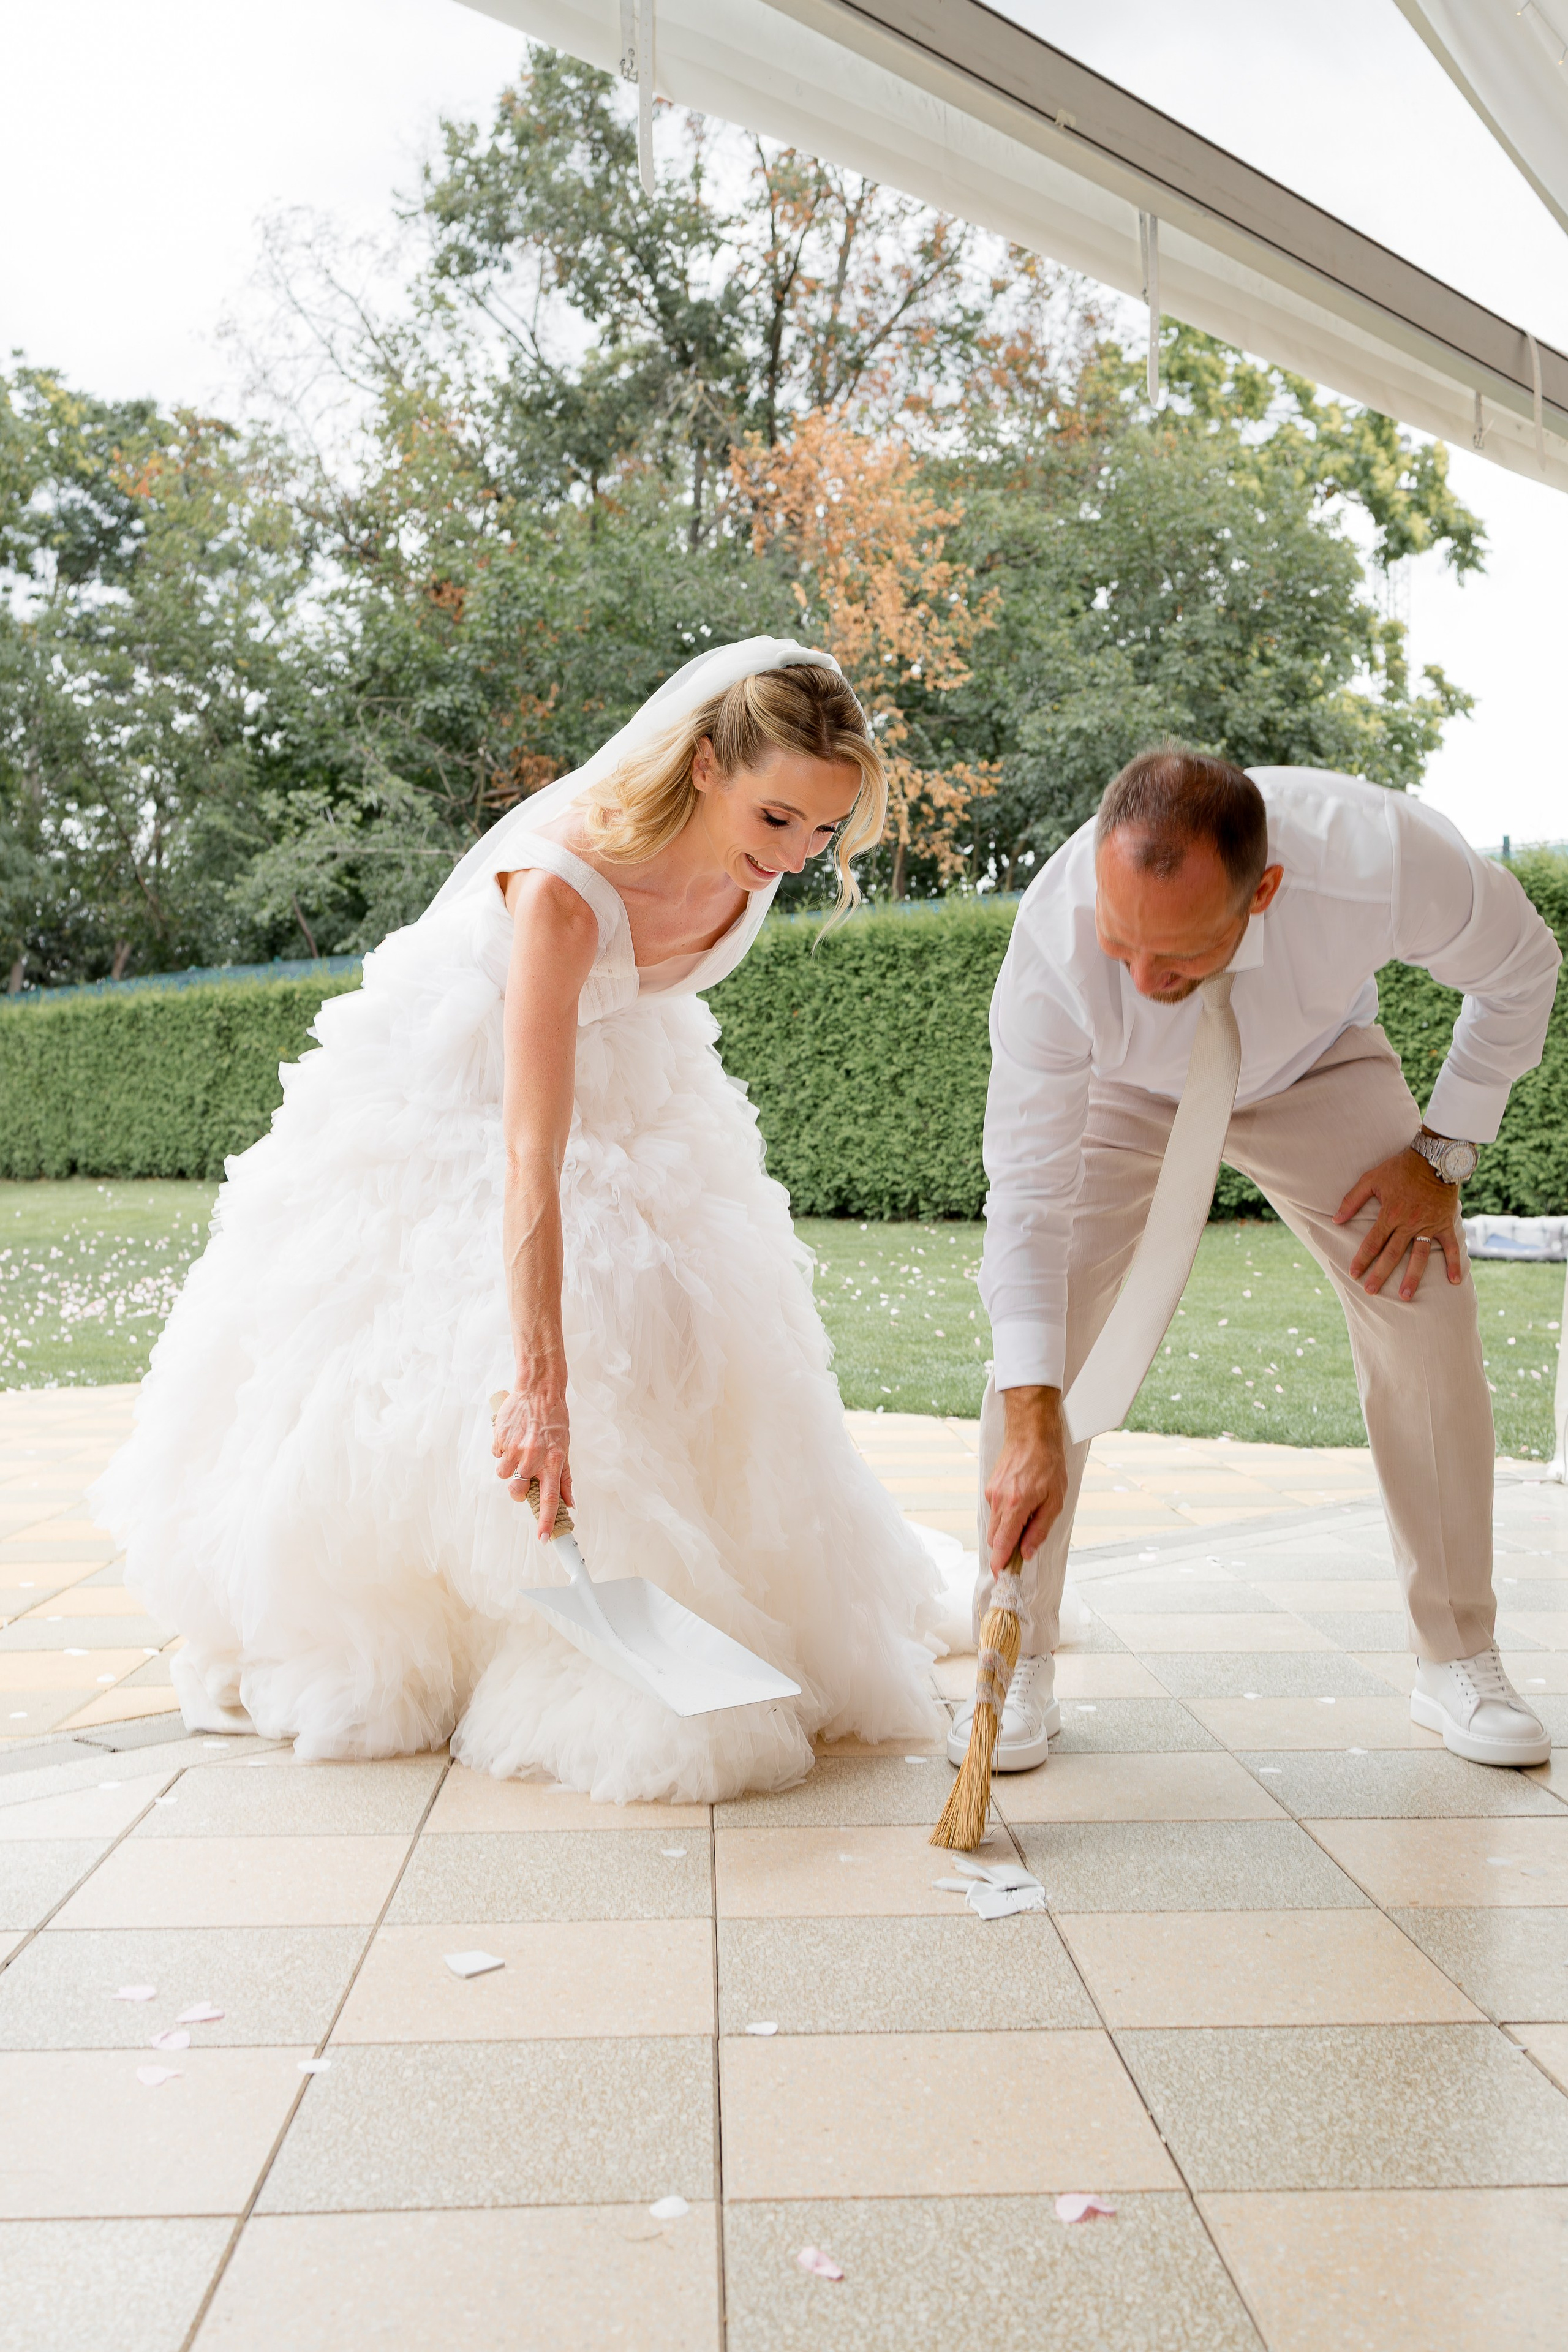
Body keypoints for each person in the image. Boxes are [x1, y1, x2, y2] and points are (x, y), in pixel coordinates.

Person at [93, 638, 945, 1804]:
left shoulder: (748, 864)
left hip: (635, 1085)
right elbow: (527, 1153)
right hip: (469, 1100)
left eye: (820, 835)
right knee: (517, 1359)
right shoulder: (561, 883)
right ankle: (481, 1629)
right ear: (704, 766)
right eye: (779, 818)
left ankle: (681, 1587)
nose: (794, 858)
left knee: (696, 1332)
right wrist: (538, 1385)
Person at [956, 747, 1561, 1774]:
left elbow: (1522, 967)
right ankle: (1016, 1660)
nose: (1144, 982)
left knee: (1424, 1299)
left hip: (1311, 1062)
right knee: (1042, 1342)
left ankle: (1457, 1653)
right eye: (1121, 945)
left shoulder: (1376, 855)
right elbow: (1025, 1198)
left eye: (1178, 957)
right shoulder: (1055, 946)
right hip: (1120, 1093)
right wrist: (1031, 1418)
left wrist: (1445, 1150)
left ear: (1265, 892)